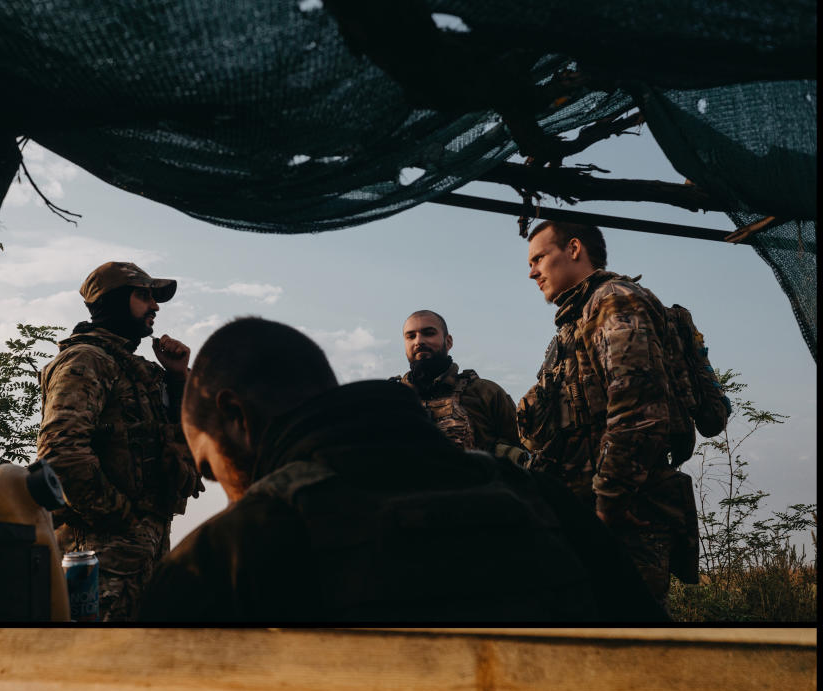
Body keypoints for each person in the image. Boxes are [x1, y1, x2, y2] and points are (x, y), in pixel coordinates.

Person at [139, 317, 667, 623]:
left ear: (235, 417)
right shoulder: (544, 502)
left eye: (210, 467)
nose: (226, 492)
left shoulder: (220, 559)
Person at [518, 221, 700, 604]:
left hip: (626, 516)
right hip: (594, 513)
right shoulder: (578, 317)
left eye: (539, 258)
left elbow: (639, 408)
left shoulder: (614, 300)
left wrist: (610, 501)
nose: (532, 271)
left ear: (573, 249)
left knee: (631, 640)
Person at [37, 261, 203, 621]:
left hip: (141, 556)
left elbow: (180, 439)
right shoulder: (86, 360)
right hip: (100, 559)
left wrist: (177, 378)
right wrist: (124, 521)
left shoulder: (136, 369)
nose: (155, 306)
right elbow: (61, 454)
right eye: (143, 296)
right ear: (113, 301)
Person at [394, 310, 523, 462]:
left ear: (448, 342)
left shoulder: (485, 393)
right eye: (411, 336)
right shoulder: (390, 399)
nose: (418, 341)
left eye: (429, 333)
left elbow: (524, 453)